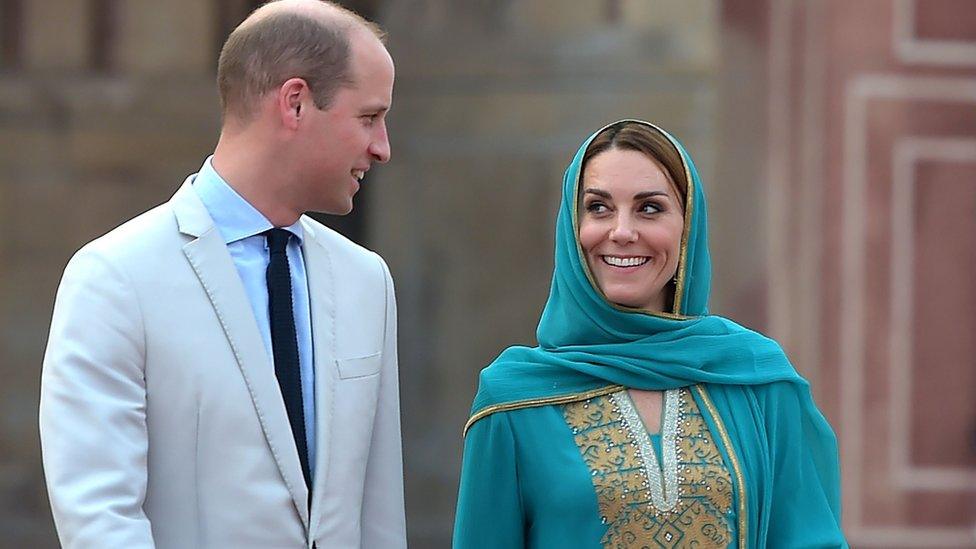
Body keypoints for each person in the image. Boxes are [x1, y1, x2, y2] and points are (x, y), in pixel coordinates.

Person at [39, 1, 405, 547]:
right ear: (296, 103)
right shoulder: (114, 278)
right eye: (369, 118)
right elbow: (100, 520)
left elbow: (377, 515)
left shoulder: (366, 280)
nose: (382, 148)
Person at [453, 120, 846, 548]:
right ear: (572, 225)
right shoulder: (513, 400)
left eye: (649, 208)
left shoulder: (756, 380)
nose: (622, 232)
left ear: (687, 228)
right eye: (599, 208)